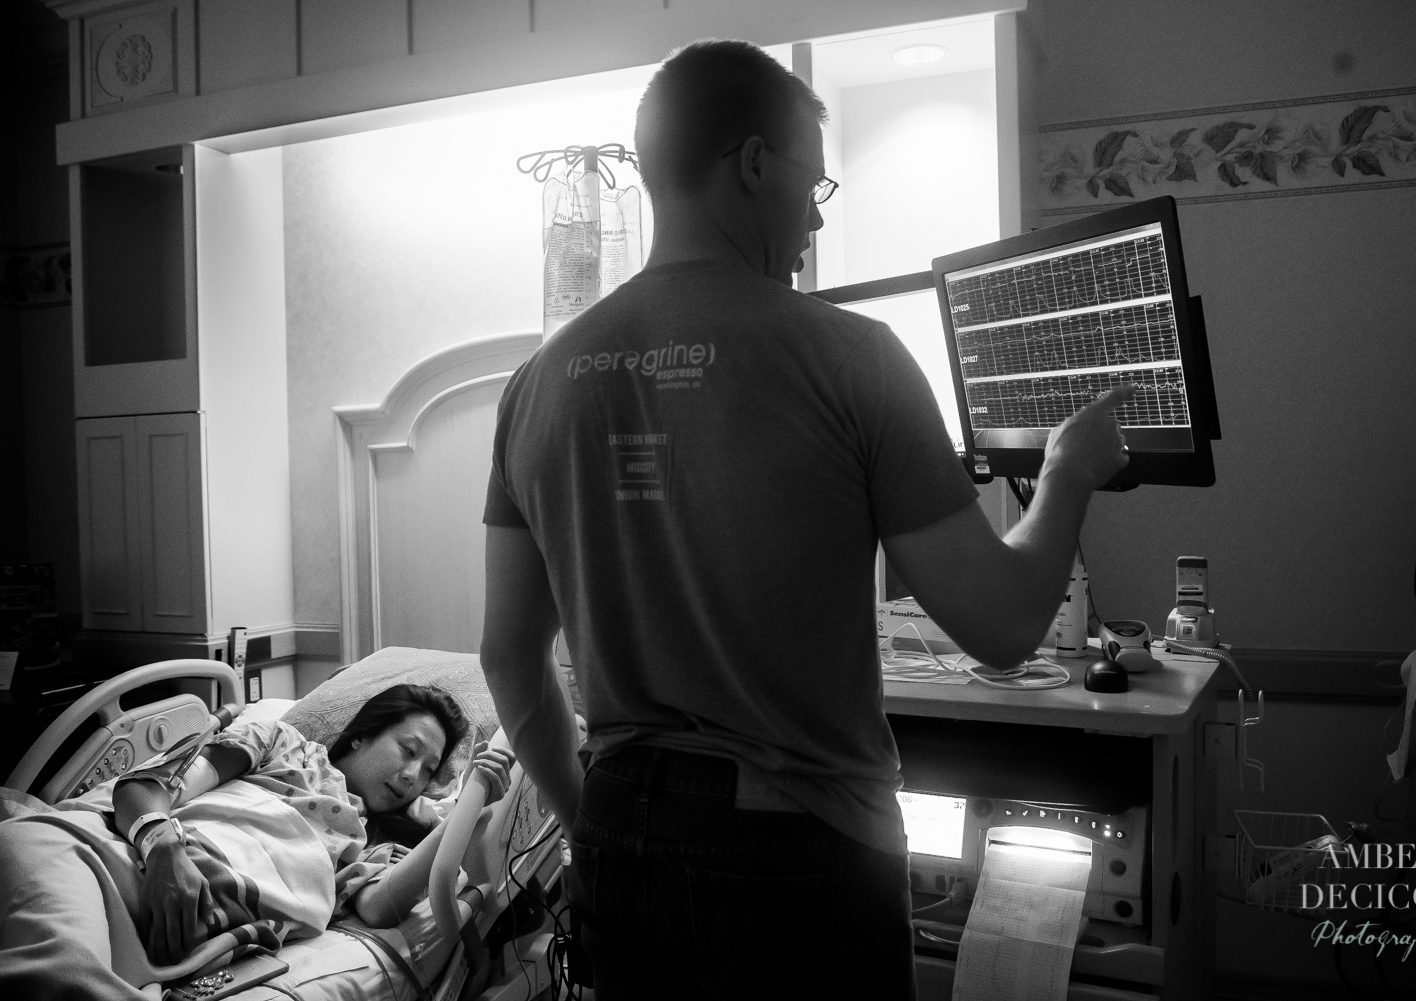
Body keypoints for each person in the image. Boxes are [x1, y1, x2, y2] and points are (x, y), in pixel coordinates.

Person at [478, 39, 1134, 1000]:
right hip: (797, 850)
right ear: (753, 164)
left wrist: (595, 825)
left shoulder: (535, 385)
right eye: (812, 190)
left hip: (621, 824)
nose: (810, 225)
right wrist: (1070, 472)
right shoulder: (852, 358)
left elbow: (509, 659)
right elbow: (1002, 627)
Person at [0, 684, 515, 998]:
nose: (411, 777)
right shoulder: (284, 746)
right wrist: (165, 850)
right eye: (408, 750)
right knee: (60, 971)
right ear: (362, 735)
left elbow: (379, 907)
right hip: (102, 859)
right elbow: (149, 787)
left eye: (427, 772)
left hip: (174, 934)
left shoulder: (369, 845)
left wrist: (464, 813)